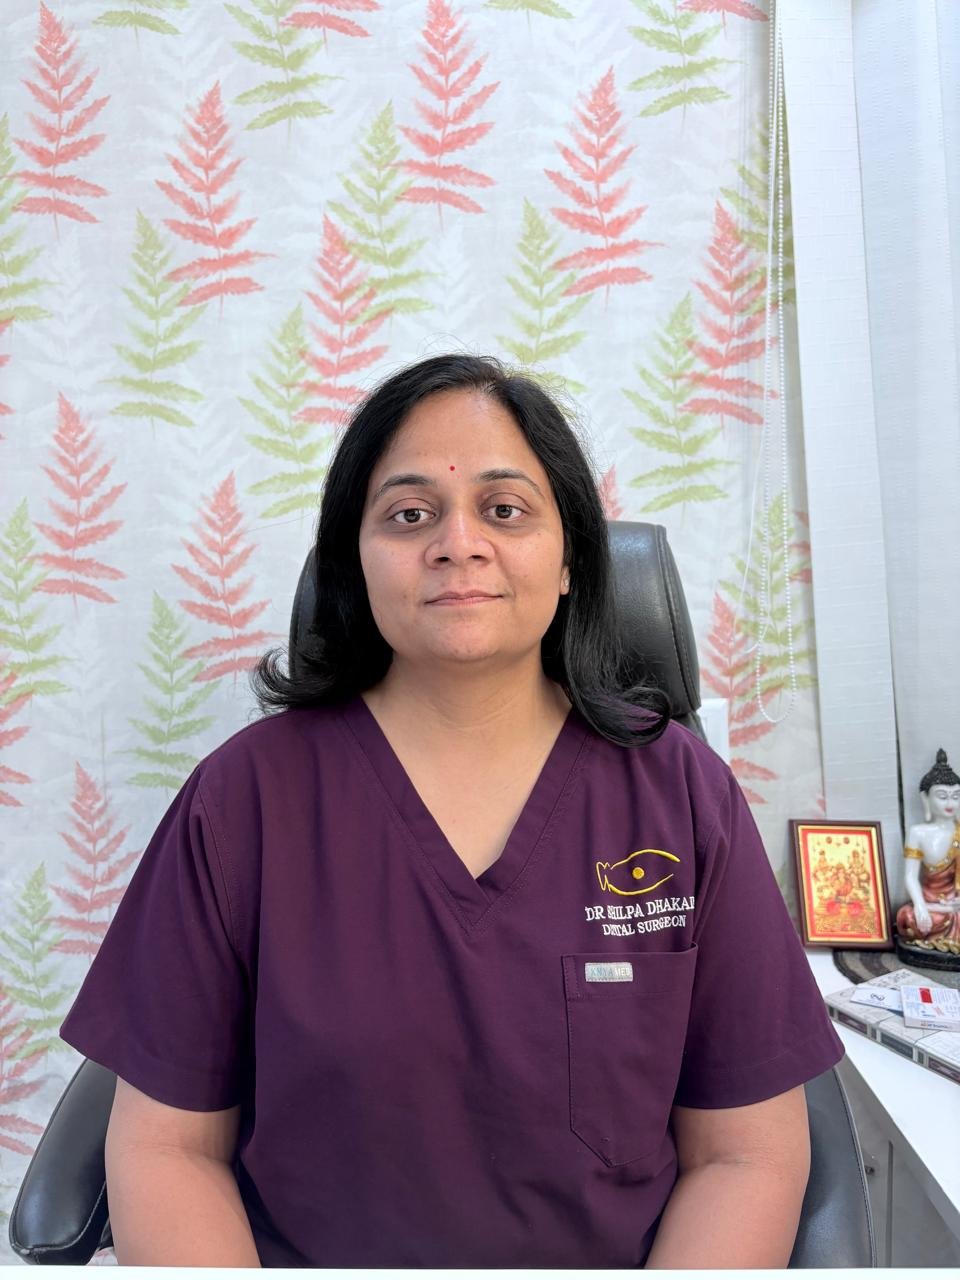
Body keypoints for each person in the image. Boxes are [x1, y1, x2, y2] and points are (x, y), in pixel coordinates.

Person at [58, 353, 844, 1268]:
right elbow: (166, 1148)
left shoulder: (681, 796)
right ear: (356, 562)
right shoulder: (243, 802)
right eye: (409, 514)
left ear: (567, 563)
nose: (457, 543)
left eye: (504, 510)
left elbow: (746, 1154)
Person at [896, 748, 960, 953]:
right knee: (907, 918)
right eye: (942, 796)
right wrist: (921, 906)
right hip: (930, 903)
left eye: (956, 796)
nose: (950, 803)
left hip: (955, 904)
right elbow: (910, 876)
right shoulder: (918, 833)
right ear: (926, 798)